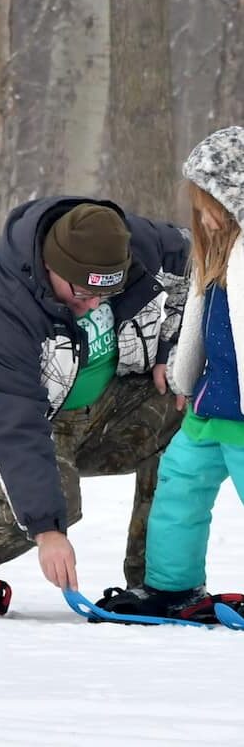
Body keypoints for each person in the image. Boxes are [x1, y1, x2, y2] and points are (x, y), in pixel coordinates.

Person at [0, 197, 189, 616]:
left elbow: (197, 266)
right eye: (80, 292)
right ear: (50, 265)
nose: (93, 304)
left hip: (103, 407)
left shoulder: (131, 243)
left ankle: (158, 582)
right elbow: (15, 421)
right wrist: (47, 530)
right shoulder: (3, 305)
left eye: (107, 293)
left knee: (187, 409)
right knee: (51, 507)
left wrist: (173, 348)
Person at [96, 127, 244, 620]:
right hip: (210, 405)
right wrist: (185, 377)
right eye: (199, 204)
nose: (203, 215)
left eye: (212, 203)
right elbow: (199, 326)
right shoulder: (213, 255)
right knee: (178, 489)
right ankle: (172, 585)